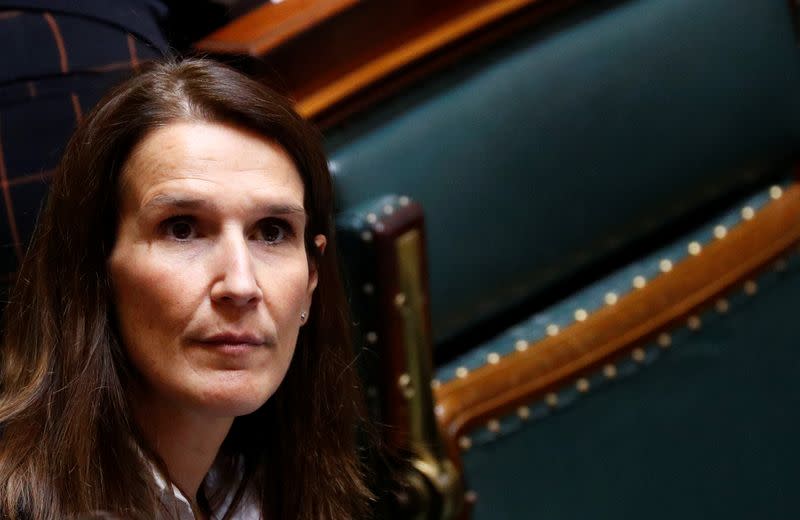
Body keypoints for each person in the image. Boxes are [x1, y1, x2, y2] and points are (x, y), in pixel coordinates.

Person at [0, 58, 373, 519]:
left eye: (272, 232)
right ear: (94, 270)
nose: (240, 284)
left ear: (311, 281)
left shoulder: (265, 488)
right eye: (182, 229)